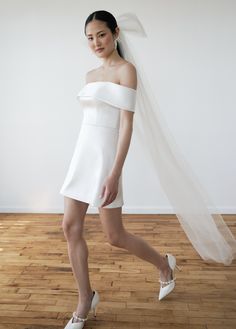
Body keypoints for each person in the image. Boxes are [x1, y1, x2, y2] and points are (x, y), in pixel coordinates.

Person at [60, 10, 180, 329]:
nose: (96, 42)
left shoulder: (127, 70)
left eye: (101, 34)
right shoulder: (89, 76)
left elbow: (126, 126)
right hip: (82, 155)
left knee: (114, 235)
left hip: (106, 159)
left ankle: (164, 265)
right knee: (70, 227)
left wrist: (114, 173)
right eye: (89, 37)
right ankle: (85, 298)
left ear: (115, 33)